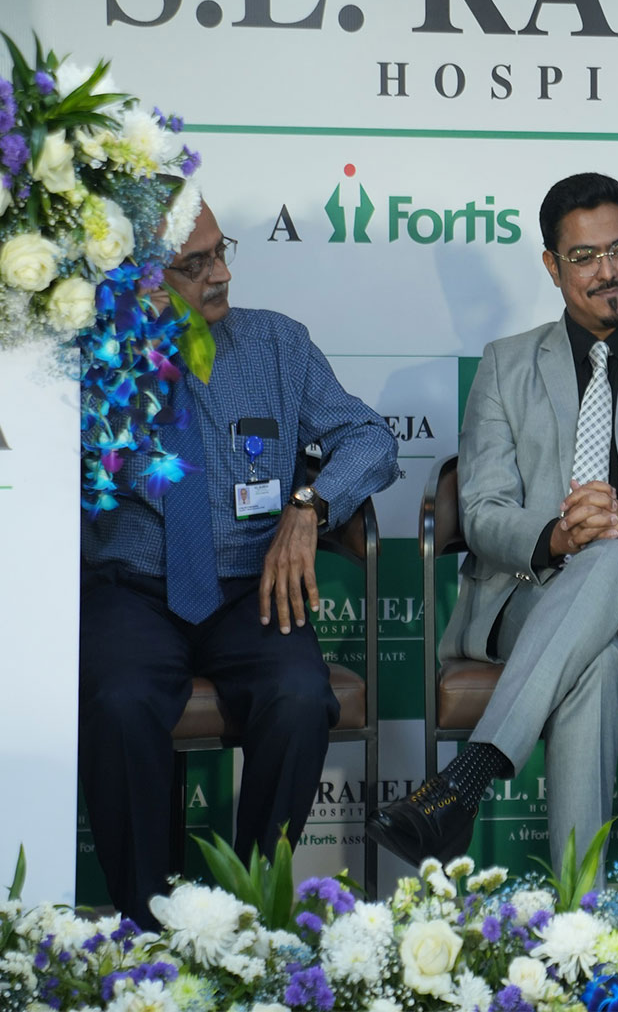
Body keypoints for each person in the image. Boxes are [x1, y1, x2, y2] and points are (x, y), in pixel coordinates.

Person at [367, 172, 618, 868]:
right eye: (585, 258)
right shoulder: (506, 367)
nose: (608, 273)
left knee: (615, 559)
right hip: (528, 599)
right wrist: (557, 536)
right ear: (552, 266)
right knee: (591, 662)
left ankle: (464, 779)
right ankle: (580, 918)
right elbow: (481, 512)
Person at [80, 198, 399, 929]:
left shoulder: (278, 346)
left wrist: (310, 506)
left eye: (222, 252)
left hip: (249, 587)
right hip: (131, 588)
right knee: (122, 700)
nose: (221, 274)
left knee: (297, 694)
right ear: (142, 280)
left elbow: (371, 439)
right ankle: (148, 924)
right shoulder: (91, 360)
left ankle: (251, 919)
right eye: (196, 265)